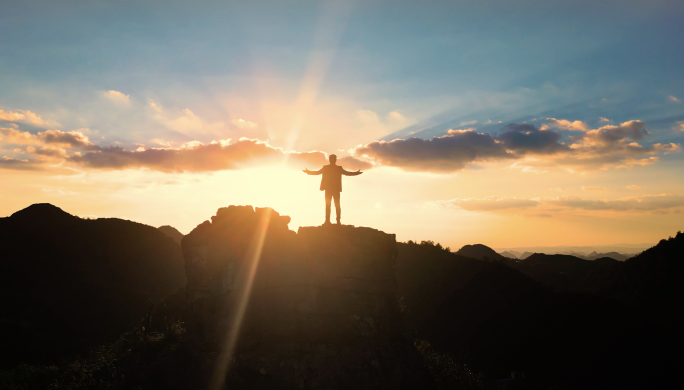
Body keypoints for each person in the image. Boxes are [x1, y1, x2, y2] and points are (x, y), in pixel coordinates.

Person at [303, 154, 363, 225]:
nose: (331, 160)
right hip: (332, 189)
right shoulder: (330, 168)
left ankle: (335, 221)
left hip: (333, 189)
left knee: (334, 205)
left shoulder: (335, 168)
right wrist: (308, 172)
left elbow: (347, 173)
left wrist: (356, 173)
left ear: (334, 160)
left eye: (332, 159)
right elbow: (317, 172)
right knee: (332, 205)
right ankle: (330, 221)